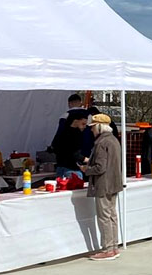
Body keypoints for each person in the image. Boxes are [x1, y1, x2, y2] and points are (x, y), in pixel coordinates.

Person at [79, 114, 123, 261]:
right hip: (114, 183)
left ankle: (107, 249)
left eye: (92, 127)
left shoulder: (101, 143)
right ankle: (114, 247)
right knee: (112, 216)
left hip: (104, 184)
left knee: (104, 217)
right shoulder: (114, 140)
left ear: (99, 127)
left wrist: (87, 169)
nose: (91, 130)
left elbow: (100, 167)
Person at [52, 109, 89, 179]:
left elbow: (54, 147)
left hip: (60, 167)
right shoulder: (76, 134)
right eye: (83, 124)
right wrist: (87, 159)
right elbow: (75, 154)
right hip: (72, 169)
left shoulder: (62, 132)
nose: (85, 127)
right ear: (75, 121)